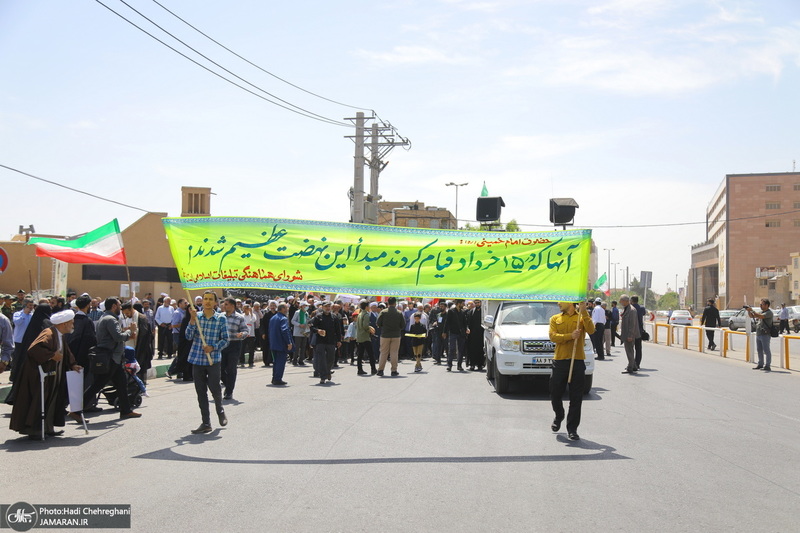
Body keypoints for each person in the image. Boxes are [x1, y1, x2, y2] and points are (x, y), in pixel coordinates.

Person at [9, 310, 82, 439]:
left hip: (53, 375)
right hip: (38, 376)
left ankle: (48, 428)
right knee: (39, 401)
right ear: (64, 324)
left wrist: (72, 364)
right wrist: (52, 355)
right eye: (71, 323)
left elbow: (66, 352)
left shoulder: (59, 335)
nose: (72, 326)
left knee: (51, 400)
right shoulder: (48, 333)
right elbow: (34, 349)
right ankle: (35, 431)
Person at [81, 298, 143, 420]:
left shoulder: (106, 318)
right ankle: (77, 410)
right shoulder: (110, 319)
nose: (120, 308)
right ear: (114, 306)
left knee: (122, 384)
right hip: (110, 358)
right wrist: (131, 331)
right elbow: (118, 337)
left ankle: (126, 410)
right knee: (97, 386)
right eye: (119, 306)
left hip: (114, 358)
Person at [548, 301, 594, 441]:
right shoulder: (555, 318)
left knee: (576, 397)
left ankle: (572, 429)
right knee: (555, 393)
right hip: (560, 360)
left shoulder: (581, 317)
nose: (558, 303)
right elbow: (553, 336)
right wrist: (570, 336)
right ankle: (559, 414)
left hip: (577, 361)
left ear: (570, 302)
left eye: (561, 300)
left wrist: (584, 310)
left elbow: (591, 330)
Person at [186, 290, 229, 434]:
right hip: (197, 359)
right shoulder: (196, 317)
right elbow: (188, 336)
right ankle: (206, 422)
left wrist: (213, 347)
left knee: (215, 389)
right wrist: (192, 321)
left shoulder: (221, 319)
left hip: (213, 361)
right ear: (202, 301)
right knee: (200, 392)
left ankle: (220, 410)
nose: (208, 301)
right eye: (205, 299)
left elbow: (226, 340)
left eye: (211, 299)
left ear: (216, 302)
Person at [220, 297, 247, 400]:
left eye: (226, 304)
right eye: (224, 304)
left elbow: (245, 330)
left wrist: (242, 334)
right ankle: (228, 384)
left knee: (231, 368)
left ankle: (229, 391)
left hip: (234, 345)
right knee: (220, 368)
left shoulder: (239, 317)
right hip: (222, 344)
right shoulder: (220, 317)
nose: (224, 306)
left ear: (232, 305)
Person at [310, 301, 342, 384]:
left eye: (329, 306)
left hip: (331, 341)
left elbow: (338, 330)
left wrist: (339, 340)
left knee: (331, 358)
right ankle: (323, 376)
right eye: (326, 306)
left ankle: (328, 371)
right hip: (320, 341)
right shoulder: (318, 317)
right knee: (321, 359)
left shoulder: (334, 317)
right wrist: (318, 330)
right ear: (322, 307)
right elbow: (312, 327)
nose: (327, 308)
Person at [376, 297, 405, 377]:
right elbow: (403, 325)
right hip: (396, 335)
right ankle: (394, 370)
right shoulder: (399, 313)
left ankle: (381, 370)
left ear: (387, 303)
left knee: (383, 352)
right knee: (394, 353)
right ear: (395, 303)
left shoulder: (383, 312)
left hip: (385, 335)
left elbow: (378, 323)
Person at [268, 302, 293, 385]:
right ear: (282, 309)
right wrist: (288, 342)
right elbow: (285, 331)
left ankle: (274, 377)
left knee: (275, 362)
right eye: (286, 308)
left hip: (273, 343)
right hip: (281, 343)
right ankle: (277, 379)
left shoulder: (273, 318)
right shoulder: (283, 318)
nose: (287, 310)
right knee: (280, 362)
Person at [746, 298, 774, 372]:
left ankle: (768, 365)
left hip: (765, 334)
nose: (760, 306)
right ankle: (760, 364)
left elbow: (760, 316)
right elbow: (752, 316)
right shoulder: (761, 311)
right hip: (759, 333)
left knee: (766, 350)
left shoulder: (769, 312)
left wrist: (752, 310)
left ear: (767, 305)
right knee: (759, 350)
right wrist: (749, 311)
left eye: (762, 304)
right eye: (760, 304)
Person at [442, 299, 469, 372]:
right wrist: (444, 332)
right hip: (453, 333)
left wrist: (467, 329)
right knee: (452, 349)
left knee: (460, 350)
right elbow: (447, 322)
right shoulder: (451, 311)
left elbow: (465, 323)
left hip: (461, 333)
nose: (463, 304)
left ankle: (459, 365)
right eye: (462, 303)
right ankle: (449, 365)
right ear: (458, 303)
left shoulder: (462, 312)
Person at [619, 295, 640, 373]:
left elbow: (632, 324)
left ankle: (630, 368)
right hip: (626, 334)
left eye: (622, 301)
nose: (621, 303)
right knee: (629, 350)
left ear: (626, 301)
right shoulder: (626, 309)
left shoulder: (632, 310)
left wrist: (630, 335)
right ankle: (634, 366)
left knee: (629, 351)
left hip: (630, 335)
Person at [354, 300, 377, 375]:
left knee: (360, 354)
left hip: (360, 336)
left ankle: (359, 369)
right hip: (365, 337)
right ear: (366, 307)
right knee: (371, 354)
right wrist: (370, 330)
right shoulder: (366, 315)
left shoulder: (360, 314)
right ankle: (373, 369)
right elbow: (365, 326)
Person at [466, 299, 484, 371]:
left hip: (481, 334)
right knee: (472, 350)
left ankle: (480, 365)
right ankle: (472, 364)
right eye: (476, 303)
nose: (477, 304)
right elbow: (467, 322)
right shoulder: (471, 312)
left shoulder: (484, 312)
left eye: (478, 303)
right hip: (472, 335)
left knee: (480, 350)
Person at [290, 301, 310, 366]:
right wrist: (299, 324)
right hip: (298, 331)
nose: (306, 307)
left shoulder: (306, 313)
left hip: (305, 331)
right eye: (305, 305)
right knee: (297, 347)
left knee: (303, 346)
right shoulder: (297, 312)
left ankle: (301, 360)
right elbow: (292, 321)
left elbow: (307, 320)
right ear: (301, 306)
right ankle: (294, 360)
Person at [631, 296, 646, 369]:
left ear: (631, 300)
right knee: (638, 348)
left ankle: (631, 363)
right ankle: (637, 363)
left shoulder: (630, 308)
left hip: (631, 331)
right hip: (639, 330)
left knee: (630, 348)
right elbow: (644, 313)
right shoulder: (641, 308)